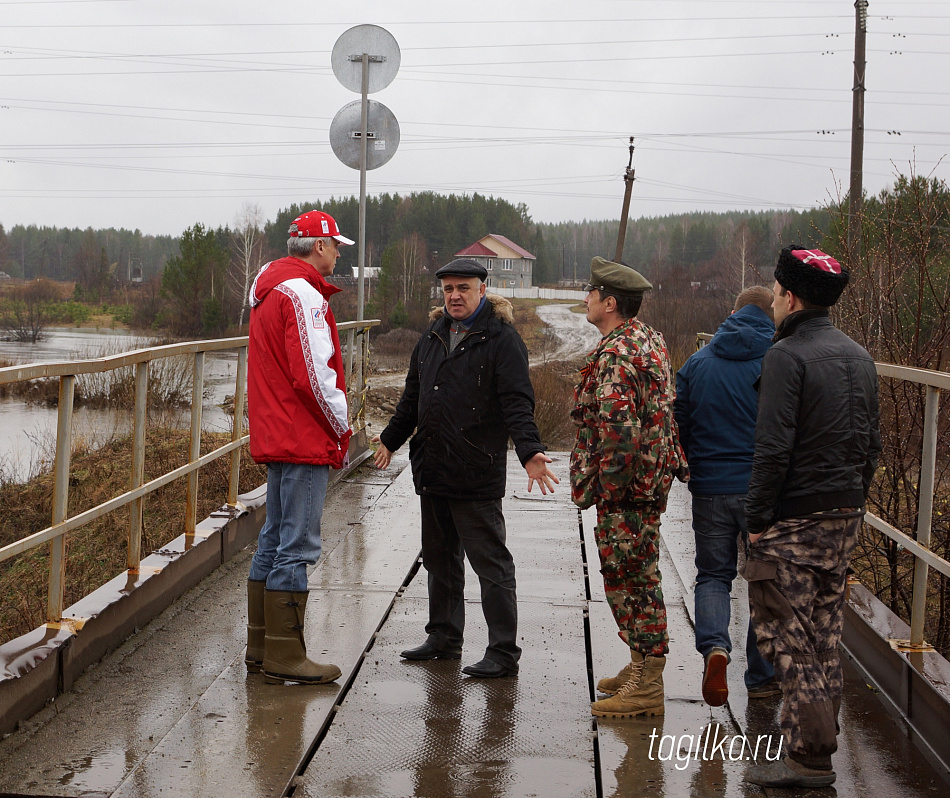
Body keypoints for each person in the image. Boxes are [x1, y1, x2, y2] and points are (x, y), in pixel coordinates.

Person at [373, 258, 559, 679]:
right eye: (448, 289)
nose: (454, 295)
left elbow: (517, 402)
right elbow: (412, 399)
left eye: (464, 288)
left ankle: (502, 652)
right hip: (433, 468)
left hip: (476, 471)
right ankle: (443, 637)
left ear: (482, 289)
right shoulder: (433, 336)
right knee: (439, 560)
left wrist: (530, 451)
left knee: (490, 565)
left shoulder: (502, 340)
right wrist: (390, 438)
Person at [743, 246, 880, 789]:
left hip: (793, 522)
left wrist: (756, 518)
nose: (774, 303)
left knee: (785, 635)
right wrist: (854, 501)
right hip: (843, 516)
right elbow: (871, 444)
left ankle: (811, 756)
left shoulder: (786, 356)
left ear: (790, 296)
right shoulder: (859, 356)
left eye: (776, 293)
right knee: (824, 635)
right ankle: (808, 748)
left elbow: (772, 449)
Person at [571, 256, 688, 718]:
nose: (586, 299)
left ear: (610, 303)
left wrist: (608, 490)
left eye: (592, 293)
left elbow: (618, 431)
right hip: (649, 480)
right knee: (639, 572)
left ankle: (646, 683)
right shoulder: (647, 339)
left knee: (629, 577)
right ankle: (641, 663)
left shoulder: (618, 353)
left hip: (628, 490)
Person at [244, 209, 354, 685]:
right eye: (335, 247)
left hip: (277, 431)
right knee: (299, 542)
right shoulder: (303, 294)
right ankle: (287, 655)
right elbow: (313, 373)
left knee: (273, 537)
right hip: (303, 434)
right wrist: (340, 428)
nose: (337, 255)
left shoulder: (269, 289)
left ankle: (261, 645)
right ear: (318, 246)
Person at [674, 286, 779, 707]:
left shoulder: (698, 363)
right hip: (762, 490)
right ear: (772, 316)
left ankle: (715, 649)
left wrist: (693, 466)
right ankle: (761, 675)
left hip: (712, 487)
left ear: (731, 312)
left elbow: (679, 421)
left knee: (714, 575)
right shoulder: (779, 361)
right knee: (766, 581)